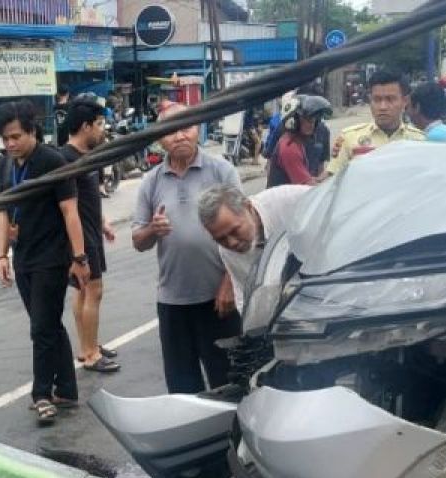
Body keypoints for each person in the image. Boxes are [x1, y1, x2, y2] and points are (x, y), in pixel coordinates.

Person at [132, 102, 242, 395]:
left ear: (198, 129)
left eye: (187, 127)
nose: (179, 136)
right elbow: (137, 240)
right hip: (173, 302)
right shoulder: (150, 182)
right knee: (182, 387)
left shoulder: (222, 171)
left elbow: (246, 234)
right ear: (159, 137)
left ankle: (232, 439)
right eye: (170, 130)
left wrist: (229, 282)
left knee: (229, 381)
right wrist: (152, 230)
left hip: (219, 301)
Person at [0, 100, 90, 426]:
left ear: (32, 130)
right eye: (4, 139)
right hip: (23, 257)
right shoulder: (6, 165)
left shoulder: (53, 160)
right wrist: (1, 254)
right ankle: (67, 388)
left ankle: (42, 394)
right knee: (47, 324)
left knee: (40, 329)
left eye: (15, 136)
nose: (10, 144)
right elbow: (4, 212)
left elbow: (70, 212)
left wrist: (79, 258)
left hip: (52, 257)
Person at [60, 97, 119, 373]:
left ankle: (88, 344)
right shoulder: (67, 159)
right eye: (98, 124)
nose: (101, 130)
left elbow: (89, 197)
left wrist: (103, 222)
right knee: (93, 291)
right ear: (85, 126)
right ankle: (90, 352)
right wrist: (78, 252)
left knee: (84, 291)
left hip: (91, 231)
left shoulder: (86, 157)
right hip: (80, 238)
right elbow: (68, 208)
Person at [198, 183, 310, 312]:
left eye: (235, 231)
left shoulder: (291, 199)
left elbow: (334, 201)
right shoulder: (226, 251)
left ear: (248, 208)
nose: (231, 243)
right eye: (220, 239)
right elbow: (244, 294)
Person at [327, 68, 425, 175]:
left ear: (405, 101)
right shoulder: (349, 139)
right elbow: (333, 181)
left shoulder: (420, 141)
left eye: (390, 99)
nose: (382, 107)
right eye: (377, 100)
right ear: (370, 100)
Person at [266, 95, 332, 188]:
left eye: (314, 121)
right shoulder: (289, 148)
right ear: (293, 120)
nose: (312, 125)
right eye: (308, 120)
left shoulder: (296, 142)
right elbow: (307, 187)